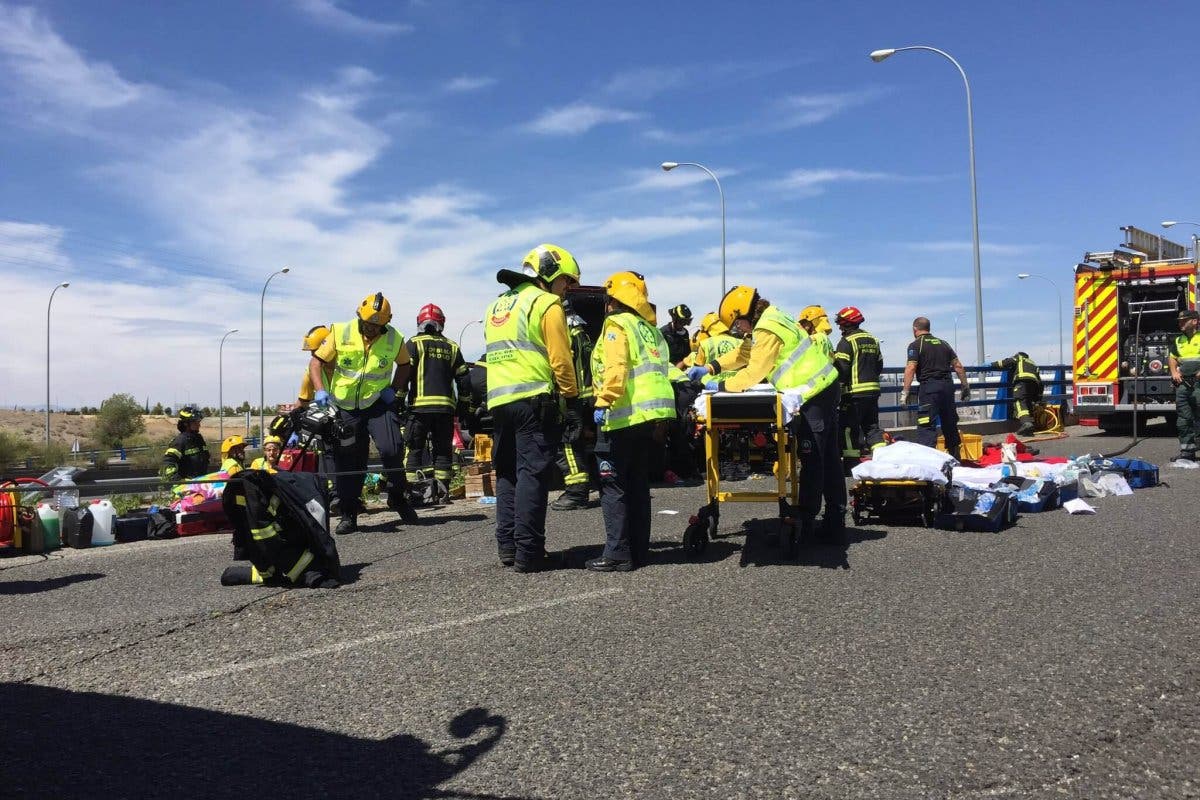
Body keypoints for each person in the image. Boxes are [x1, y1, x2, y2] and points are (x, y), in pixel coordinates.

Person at [689, 286, 844, 543]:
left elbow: (754, 372)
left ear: (744, 315)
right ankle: (834, 520)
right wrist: (710, 366)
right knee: (827, 457)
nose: (739, 330)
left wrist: (718, 385)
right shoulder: (773, 317)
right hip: (824, 388)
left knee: (814, 457)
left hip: (816, 393)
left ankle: (807, 520)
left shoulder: (766, 328)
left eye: (737, 324)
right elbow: (744, 353)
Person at [484, 244, 581, 572]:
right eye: (566, 281)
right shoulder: (546, 303)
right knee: (533, 474)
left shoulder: (497, 306)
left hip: (499, 400)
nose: (567, 289)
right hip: (533, 399)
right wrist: (571, 397)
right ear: (550, 273)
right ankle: (530, 554)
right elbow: (560, 359)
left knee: (508, 473)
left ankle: (508, 547)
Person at [309, 292, 420, 535]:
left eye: (378, 326)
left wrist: (393, 388)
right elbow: (316, 362)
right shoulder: (340, 332)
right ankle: (349, 514)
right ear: (359, 317)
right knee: (349, 460)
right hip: (346, 409)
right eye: (368, 324)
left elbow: (405, 364)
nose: (372, 329)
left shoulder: (394, 338)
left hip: (377, 405)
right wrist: (320, 391)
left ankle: (397, 496)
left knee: (393, 449)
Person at [587, 271, 676, 572]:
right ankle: (639, 550)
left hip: (620, 416)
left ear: (613, 300)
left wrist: (603, 400)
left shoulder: (616, 325)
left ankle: (617, 553)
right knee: (638, 483)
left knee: (613, 484)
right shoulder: (651, 331)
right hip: (647, 417)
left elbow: (616, 367)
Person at [404, 303, 470, 505]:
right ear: (442, 323)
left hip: (419, 409)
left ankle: (416, 494)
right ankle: (442, 494)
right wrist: (464, 405)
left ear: (419, 322)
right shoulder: (452, 347)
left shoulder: (414, 344)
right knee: (443, 451)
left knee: (415, 450)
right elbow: (464, 379)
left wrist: (398, 399)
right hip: (445, 409)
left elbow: (404, 373)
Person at [901, 317, 971, 459]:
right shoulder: (943, 343)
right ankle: (955, 456)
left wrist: (905, 392)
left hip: (929, 388)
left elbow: (911, 367)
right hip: (947, 386)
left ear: (915, 329)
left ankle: (928, 460)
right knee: (949, 422)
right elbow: (958, 366)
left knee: (926, 423)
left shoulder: (916, 345)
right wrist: (965, 386)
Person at [551, 298, 595, 511]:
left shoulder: (568, 336)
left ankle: (577, 492)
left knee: (568, 443)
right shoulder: (583, 334)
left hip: (573, 398)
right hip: (587, 398)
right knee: (577, 444)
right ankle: (582, 488)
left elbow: (563, 365)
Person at [833, 306, 884, 454]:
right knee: (872, 428)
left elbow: (842, 371)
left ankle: (851, 465)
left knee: (849, 430)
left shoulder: (846, 342)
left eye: (841, 324)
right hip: (873, 392)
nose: (840, 327)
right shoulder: (873, 339)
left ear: (847, 323)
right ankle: (880, 458)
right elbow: (879, 366)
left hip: (853, 395)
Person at [1169, 309, 1200, 461]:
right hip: (1183, 385)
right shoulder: (1178, 340)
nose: (1181, 323)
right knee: (1183, 419)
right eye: (1180, 321)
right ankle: (1187, 453)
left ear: (1194, 321)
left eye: (1184, 320)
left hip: (1199, 384)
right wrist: (1174, 372)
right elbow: (1173, 358)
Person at [991, 351, 1042, 436]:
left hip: (1022, 381)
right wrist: (1038, 396)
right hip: (1034, 384)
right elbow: (1040, 382)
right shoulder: (1033, 363)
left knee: (1019, 401)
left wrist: (992, 364)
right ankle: (1030, 426)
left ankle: (1026, 423)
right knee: (1028, 403)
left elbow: (1007, 362)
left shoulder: (1019, 358)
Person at [162, 405, 210, 482]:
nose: (199, 425)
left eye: (198, 422)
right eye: (195, 422)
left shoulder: (199, 439)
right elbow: (168, 462)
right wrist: (179, 481)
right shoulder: (179, 441)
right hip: (187, 488)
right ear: (186, 424)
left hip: (202, 486)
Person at [297, 325, 332, 408]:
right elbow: (302, 402)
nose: (312, 354)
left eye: (315, 350)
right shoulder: (310, 372)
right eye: (311, 351)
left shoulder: (347, 365)